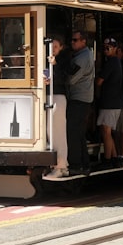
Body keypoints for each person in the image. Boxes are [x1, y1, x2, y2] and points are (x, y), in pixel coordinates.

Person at [66, 29, 95, 174]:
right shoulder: (84, 54)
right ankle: (84, 164)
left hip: (79, 99)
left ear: (83, 41)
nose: (72, 42)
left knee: (73, 132)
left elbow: (71, 79)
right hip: (83, 99)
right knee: (79, 133)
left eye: (75, 40)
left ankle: (76, 165)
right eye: (71, 40)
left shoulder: (82, 58)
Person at [43, 33, 71, 178]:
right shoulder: (44, 60)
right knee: (49, 130)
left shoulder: (63, 60)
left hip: (58, 97)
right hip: (47, 96)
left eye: (55, 47)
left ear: (60, 47)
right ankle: (56, 164)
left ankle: (61, 166)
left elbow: (66, 78)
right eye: (51, 46)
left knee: (58, 131)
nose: (53, 49)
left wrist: (55, 65)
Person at [95, 37, 123, 168]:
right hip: (112, 102)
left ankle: (107, 160)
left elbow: (99, 81)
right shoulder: (115, 62)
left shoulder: (111, 62)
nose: (106, 50)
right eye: (104, 48)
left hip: (110, 102)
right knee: (106, 131)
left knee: (106, 131)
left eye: (109, 48)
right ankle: (114, 157)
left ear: (115, 49)